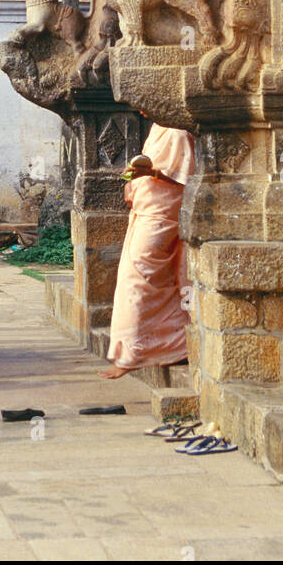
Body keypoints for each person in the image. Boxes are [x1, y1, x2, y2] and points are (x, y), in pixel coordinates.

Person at [101, 123, 193, 379]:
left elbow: (183, 176)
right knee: (134, 280)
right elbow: (144, 172)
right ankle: (168, 346)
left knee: (138, 280)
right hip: (145, 211)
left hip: (162, 215)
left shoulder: (178, 132)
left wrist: (151, 172)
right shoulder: (156, 129)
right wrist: (131, 178)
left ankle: (133, 354)